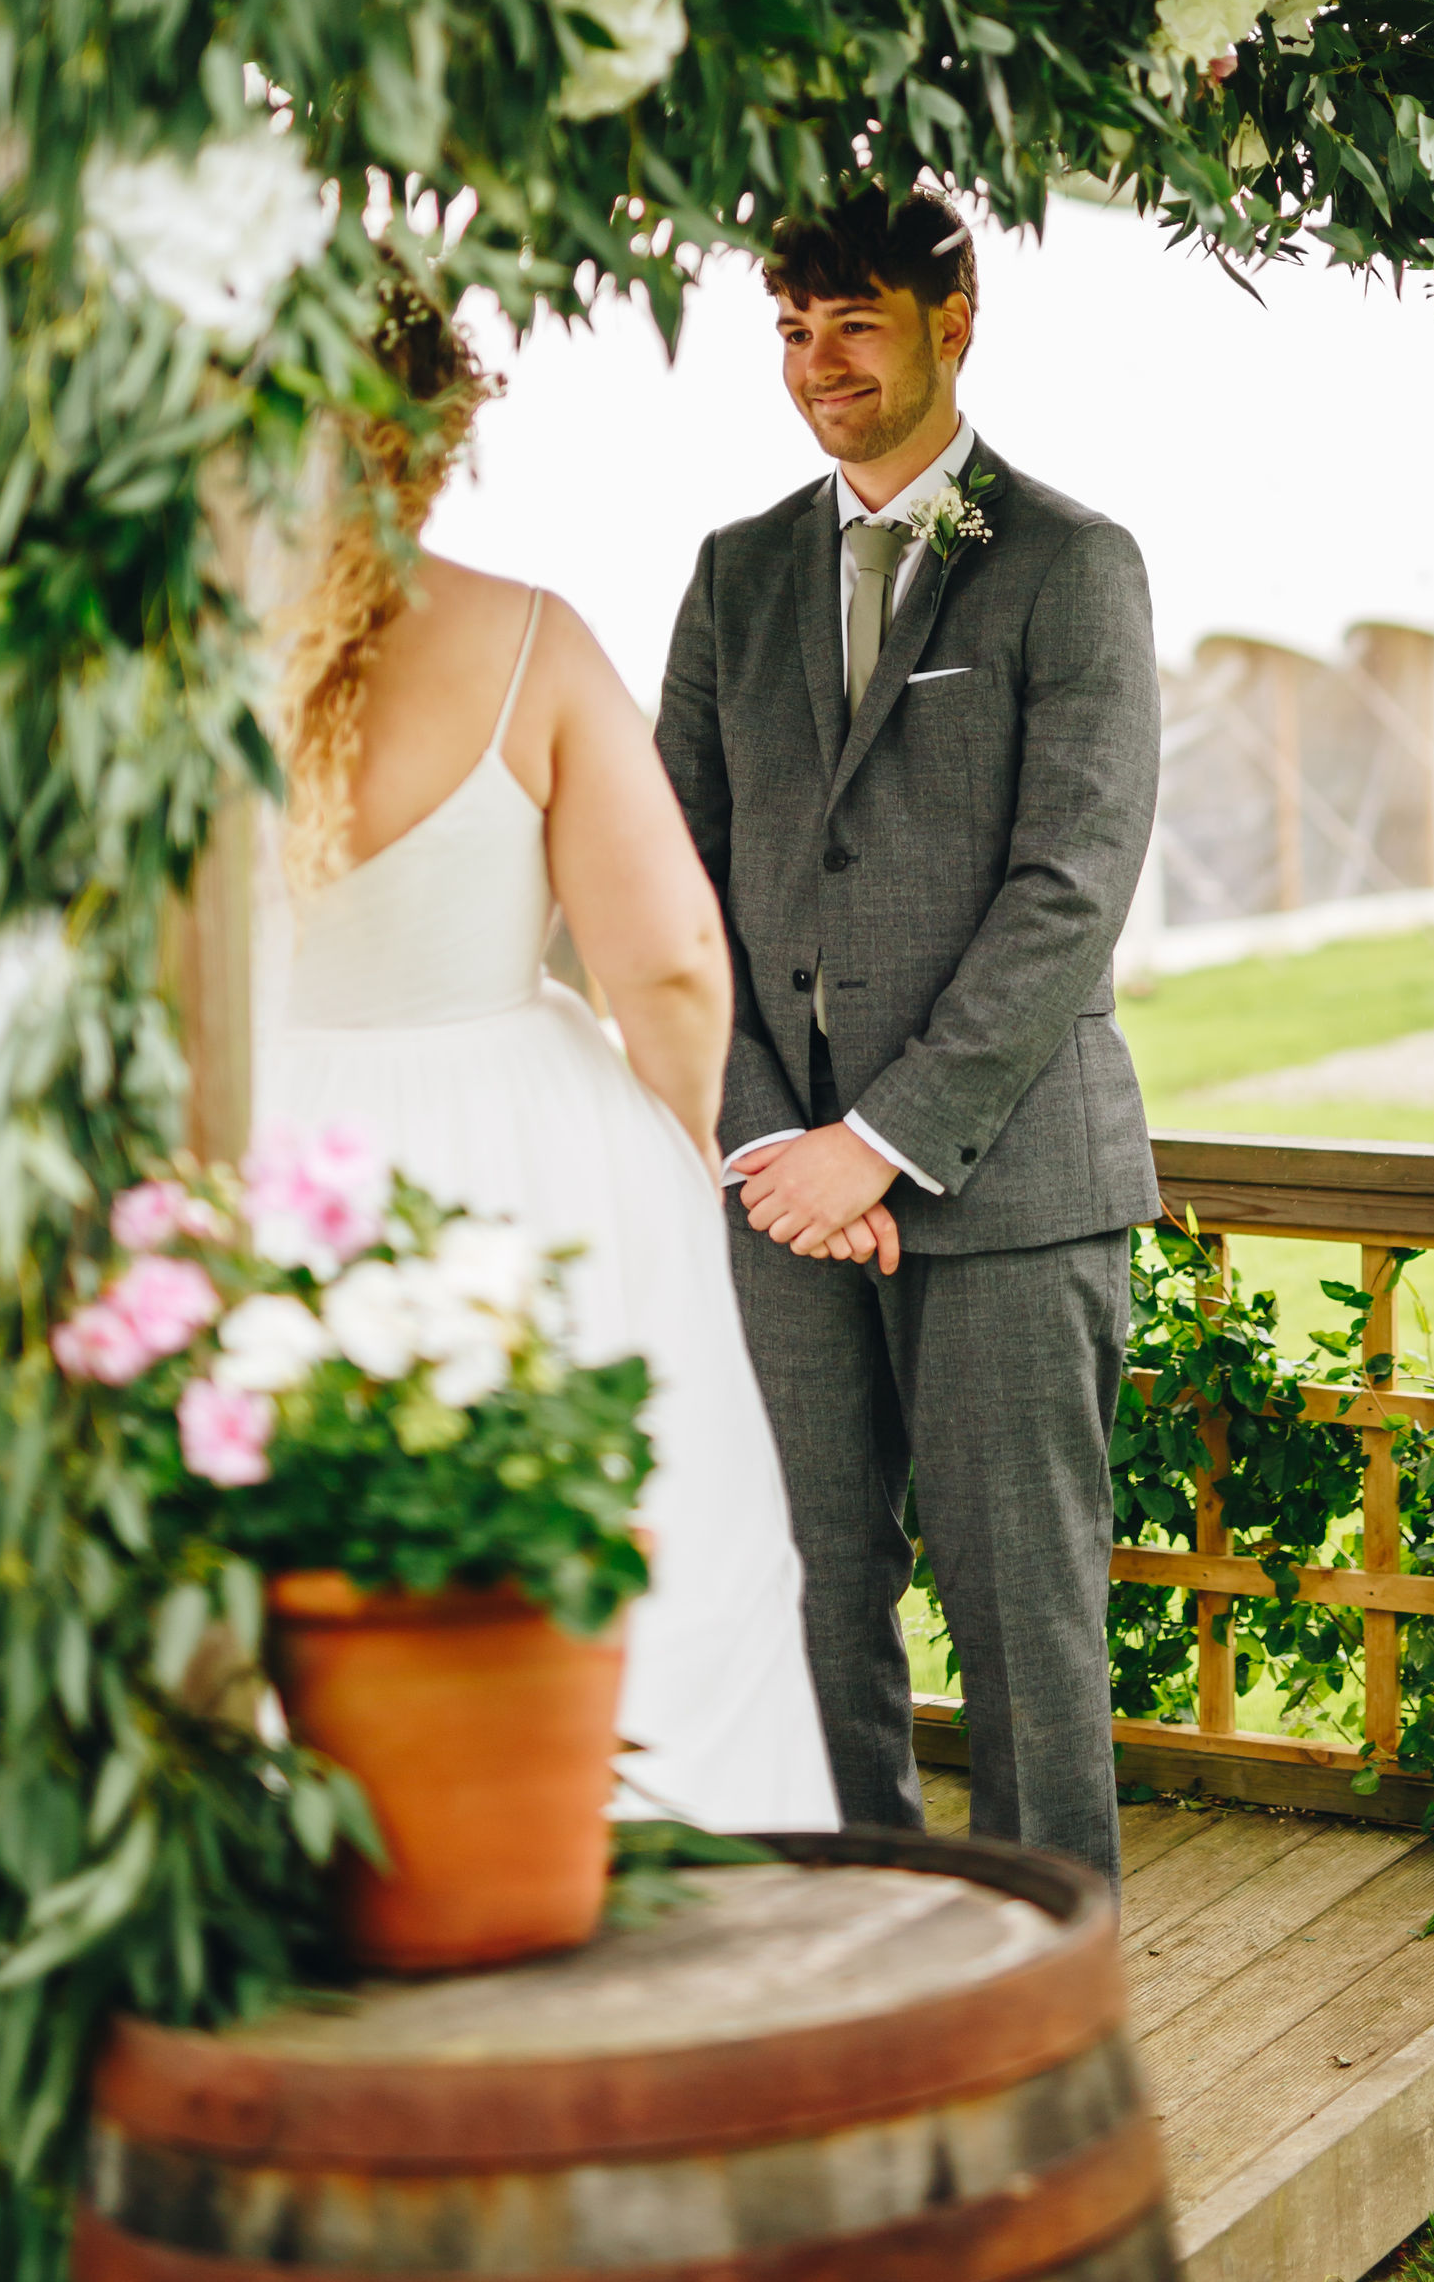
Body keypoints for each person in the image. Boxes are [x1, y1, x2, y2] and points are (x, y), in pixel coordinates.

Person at [257, 287, 836, 1837]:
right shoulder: (529, 639)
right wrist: (669, 1135)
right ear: (441, 436)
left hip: (245, 1149)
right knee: (616, 1566)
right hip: (519, 1156)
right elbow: (665, 962)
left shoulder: (150, 655)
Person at [656, 189, 1161, 1890]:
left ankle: (1044, 2006)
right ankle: (856, 1968)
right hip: (777, 1195)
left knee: (1029, 1622)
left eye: (853, 324)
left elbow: (1069, 891)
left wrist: (873, 1144)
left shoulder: (1071, 565)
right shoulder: (733, 575)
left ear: (957, 321)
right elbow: (671, 886)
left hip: (1008, 1183)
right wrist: (765, 1147)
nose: (818, 367)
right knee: (808, 1598)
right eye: (792, 331)